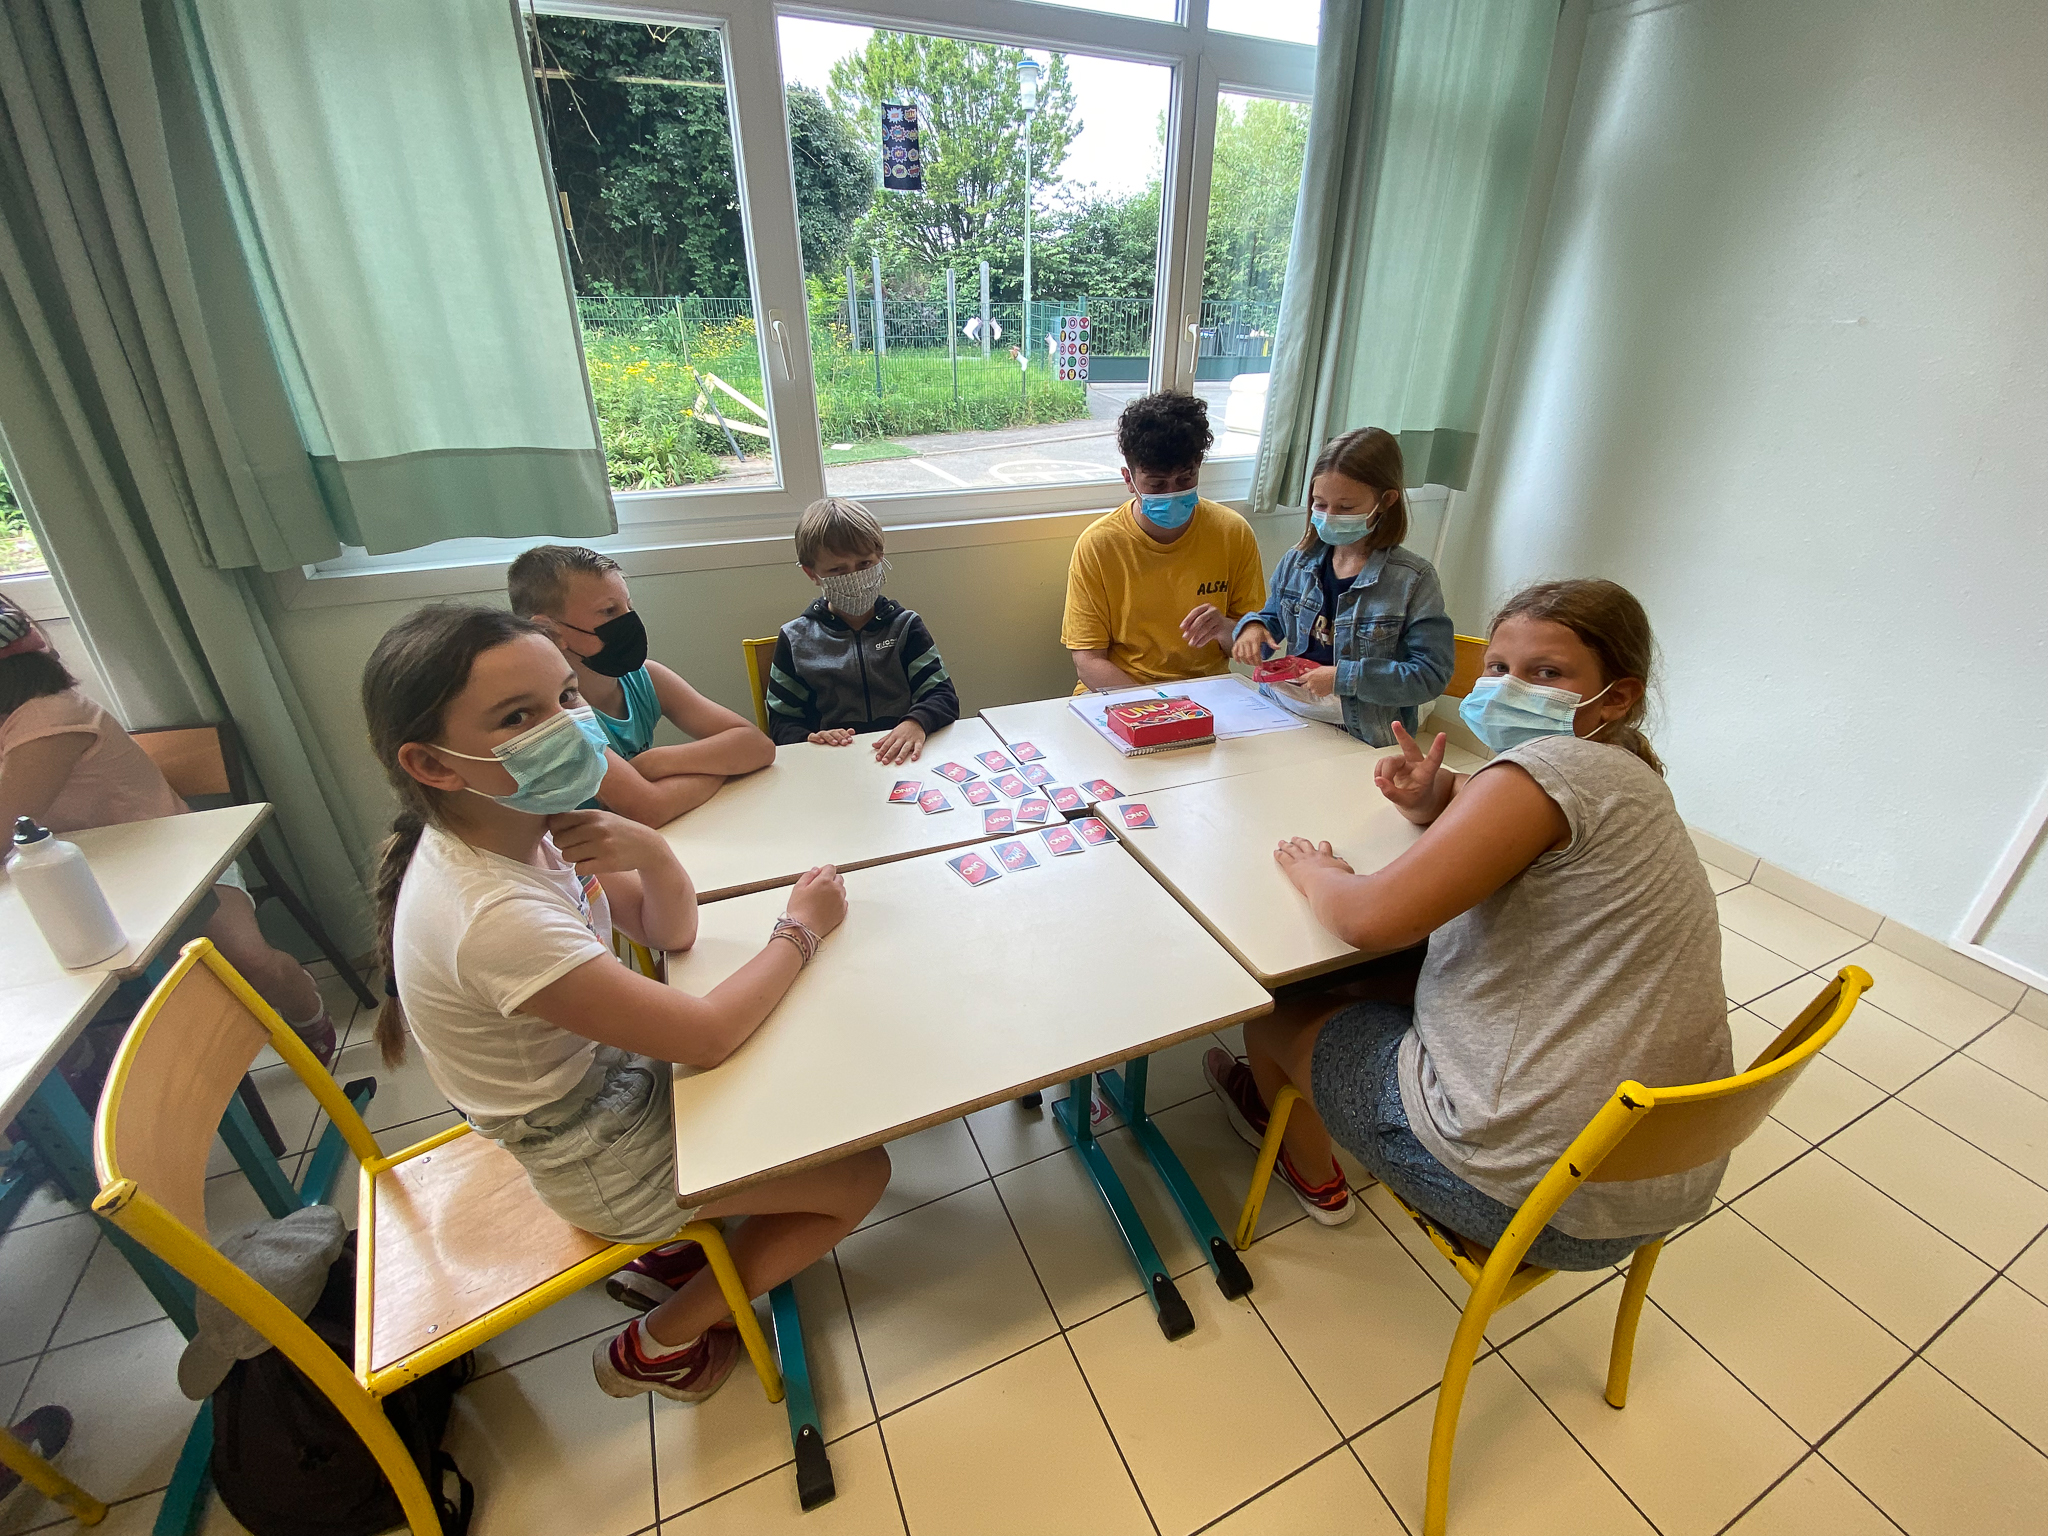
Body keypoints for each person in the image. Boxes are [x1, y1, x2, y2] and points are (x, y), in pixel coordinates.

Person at [362, 603, 888, 1403]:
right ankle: (657, 1343)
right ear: (433, 764)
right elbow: (706, 1035)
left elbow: (667, 931)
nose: (568, 725)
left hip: (607, 1081)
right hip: (587, 1149)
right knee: (860, 1172)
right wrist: (800, 930)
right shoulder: (493, 915)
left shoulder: (526, 820)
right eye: (518, 717)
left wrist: (652, 853)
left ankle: (681, 1244)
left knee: (799, 1064)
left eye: (566, 695)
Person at [1204, 579, 1730, 1259]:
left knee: (1280, 1005)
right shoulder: (1627, 770)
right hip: (1660, 1177)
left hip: (1531, 1200)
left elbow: (1369, 920)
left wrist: (1318, 873)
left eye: (1547, 674)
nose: (1511, 688)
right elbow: (1500, 810)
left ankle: (1308, 1169)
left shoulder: (1546, 770)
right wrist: (1434, 800)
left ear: (1616, 696)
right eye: (1499, 667)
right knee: (1392, 973)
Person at [0, 597, 338, 1061]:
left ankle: (304, 1005)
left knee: (246, 960)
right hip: (74, 876)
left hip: (177, 859)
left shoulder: (49, 716)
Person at [507, 545, 774, 828]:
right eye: (609, 611)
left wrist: (655, 762)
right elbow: (649, 810)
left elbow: (757, 746)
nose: (629, 621)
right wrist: (722, 768)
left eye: (629, 607)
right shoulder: (552, 714)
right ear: (548, 630)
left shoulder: (645, 677)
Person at [1230, 428, 1455, 746]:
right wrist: (1254, 629)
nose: (1329, 516)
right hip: (1286, 711)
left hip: (1361, 730)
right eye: (1320, 504)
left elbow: (1429, 676)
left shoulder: (1413, 580)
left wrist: (1344, 678)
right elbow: (1274, 621)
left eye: (1346, 508)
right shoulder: (1297, 561)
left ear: (1385, 501)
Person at [1061, 391, 1267, 693]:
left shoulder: (1232, 533)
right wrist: (1160, 708)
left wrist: (1224, 628)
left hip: (1206, 692)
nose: (1172, 493)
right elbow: (1088, 661)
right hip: (1119, 692)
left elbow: (1255, 645)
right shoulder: (1098, 545)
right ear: (1129, 479)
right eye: (1157, 485)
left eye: (1185, 480)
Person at [762, 497, 959, 766]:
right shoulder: (795, 639)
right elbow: (781, 720)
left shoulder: (905, 626)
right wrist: (809, 738)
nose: (853, 576)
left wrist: (916, 722)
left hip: (901, 758)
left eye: (864, 564)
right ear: (812, 573)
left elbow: (943, 696)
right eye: (837, 569)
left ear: (880, 558)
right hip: (833, 763)